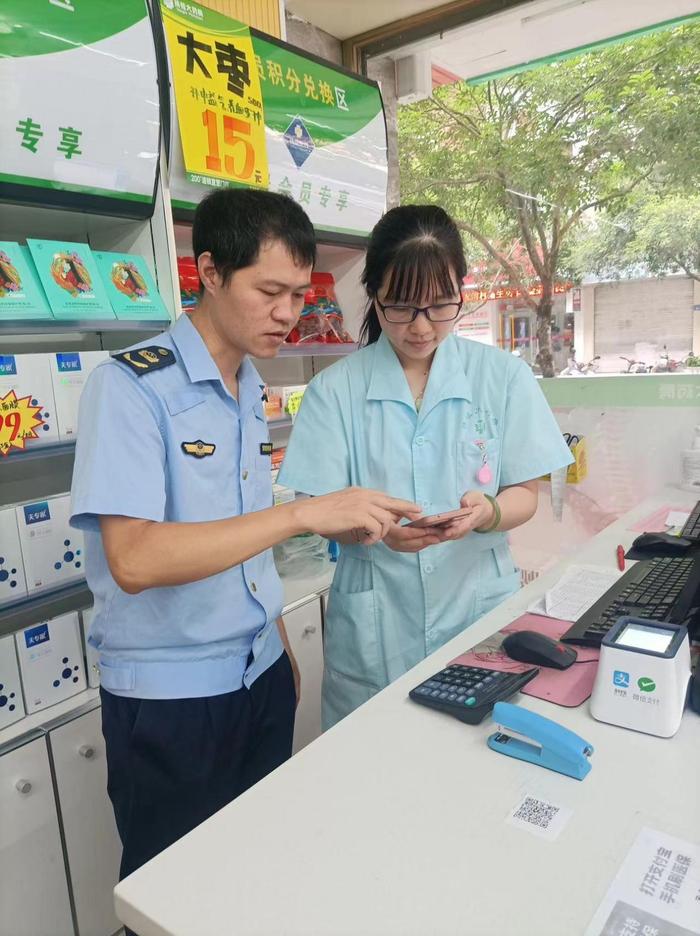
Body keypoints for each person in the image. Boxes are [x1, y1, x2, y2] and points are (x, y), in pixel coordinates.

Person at [70, 189, 420, 895]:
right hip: (172, 703)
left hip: (260, 680)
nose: (288, 314)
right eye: (269, 291)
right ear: (208, 271)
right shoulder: (131, 390)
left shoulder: (249, 390)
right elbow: (134, 559)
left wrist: (279, 647)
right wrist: (303, 515)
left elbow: (241, 547)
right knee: (176, 896)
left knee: (255, 881)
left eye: (297, 293)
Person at [278, 205, 573, 729]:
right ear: (374, 293)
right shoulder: (335, 390)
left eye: (440, 307)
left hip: (476, 608)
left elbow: (525, 493)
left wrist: (486, 512)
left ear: (461, 290)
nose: (420, 327)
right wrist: (376, 530)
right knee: (375, 779)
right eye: (400, 307)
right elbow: (317, 511)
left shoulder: (502, 378)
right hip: (375, 629)